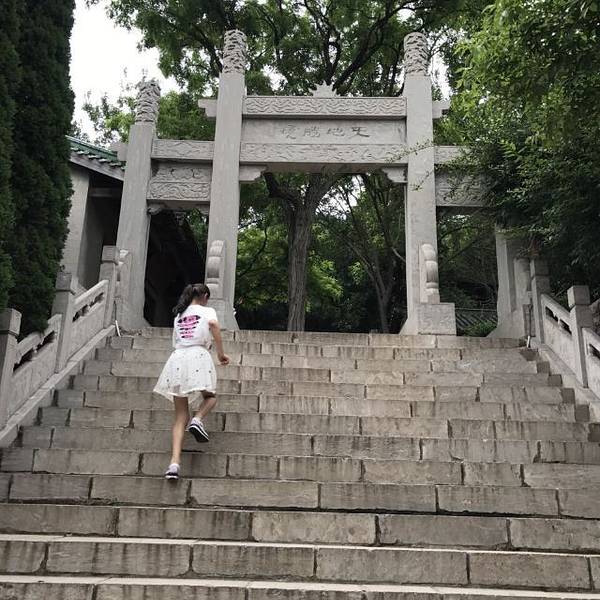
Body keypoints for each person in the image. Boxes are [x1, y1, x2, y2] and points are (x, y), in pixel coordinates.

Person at [153, 283, 230, 480]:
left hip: (177, 359)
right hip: (198, 355)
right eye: (207, 298)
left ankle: (174, 464)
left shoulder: (179, 315)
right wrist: (221, 354)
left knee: (180, 416)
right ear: (204, 296)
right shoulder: (207, 311)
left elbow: (176, 341)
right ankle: (198, 419)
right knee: (210, 397)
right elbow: (214, 325)